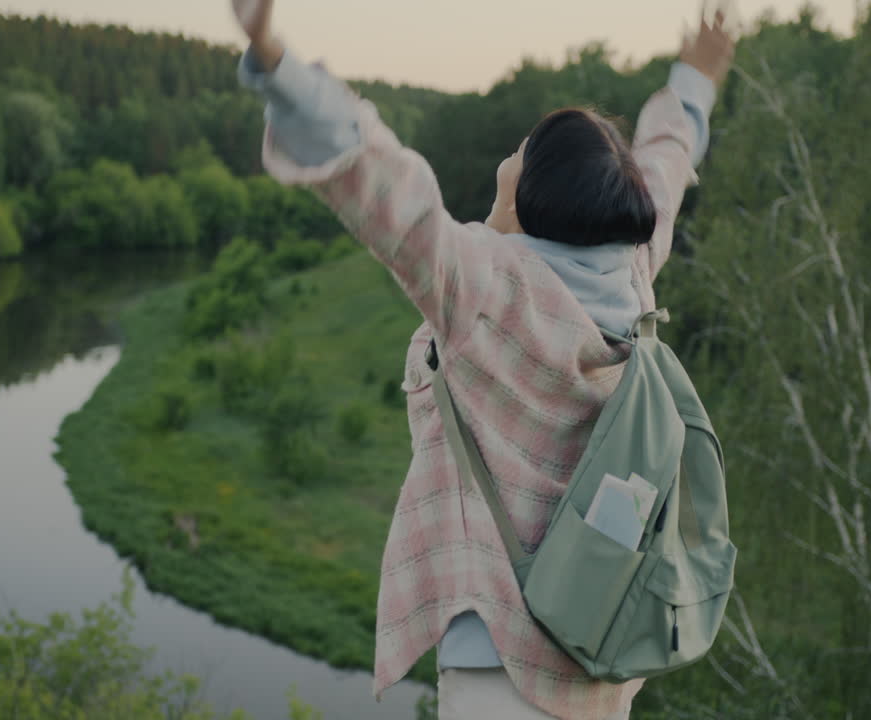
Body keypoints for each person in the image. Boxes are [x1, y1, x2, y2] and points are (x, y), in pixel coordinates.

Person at [230, 1, 734, 717]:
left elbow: (385, 186)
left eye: (521, 151)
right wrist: (696, 78)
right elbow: (667, 159)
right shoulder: (634, 272)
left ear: (531, 191)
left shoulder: (485, 289)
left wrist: (276, 62)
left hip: (501, 668)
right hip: (601, 670)